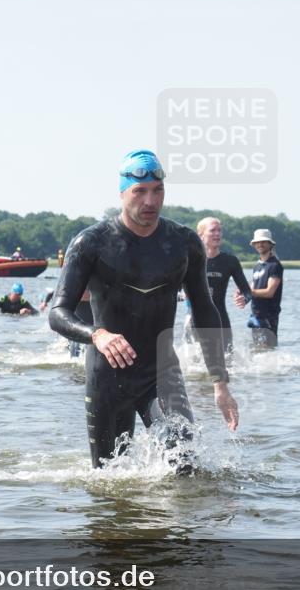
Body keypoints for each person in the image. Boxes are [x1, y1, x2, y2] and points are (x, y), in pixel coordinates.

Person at [48, 149, 239, 470]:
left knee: (186, 467)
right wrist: (97, 334)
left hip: (161, 372)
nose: (150, 201)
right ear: (123, 193)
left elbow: (206, 311)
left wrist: (220, 384)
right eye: (139, 192)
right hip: (106, 375)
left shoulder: (183, 243)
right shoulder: (91, 243)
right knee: (108, 479)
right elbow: (58, 313)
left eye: (157, 191)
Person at [195, 217, 252, 356]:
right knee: (195, 364)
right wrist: (182, 296)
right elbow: (174, 291)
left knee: (227, 360)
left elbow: (247, 291)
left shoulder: (230, 261)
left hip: (220, 319)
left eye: (219, 230)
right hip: (195, 320)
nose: (217, 234)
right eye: (212, 230)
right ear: (201, 235)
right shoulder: (192, 260)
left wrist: (244, 299)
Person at [246, 229, 284, 349]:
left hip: (269, 315)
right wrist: (243, 296)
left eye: (263, 242)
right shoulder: (257, 266)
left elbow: (269, 292)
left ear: (270, 244)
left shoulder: (275, 265)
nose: (260, 244)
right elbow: (252, 289)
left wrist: (248, 292)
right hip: (256, 314)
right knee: (257, 349)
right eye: (257, 242)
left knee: (268, 349)